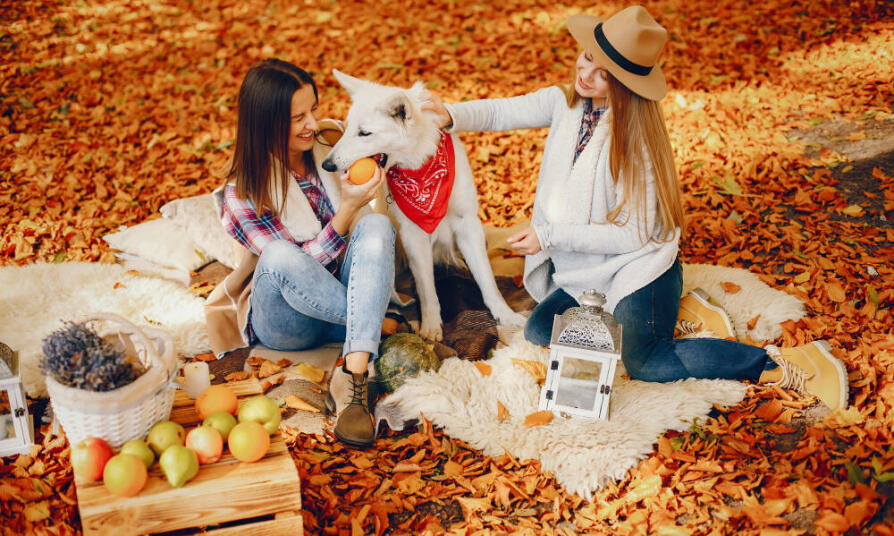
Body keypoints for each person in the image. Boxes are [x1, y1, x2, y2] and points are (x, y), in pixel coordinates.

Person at [423, 6, 848, 410]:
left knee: (647, 361)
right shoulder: (565, 103)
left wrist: (547, 236)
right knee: (538, 330)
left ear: (624, 84)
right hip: (584, 271)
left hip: (636, 267)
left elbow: (633, 236)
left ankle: (772, 365)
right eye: (586, 59)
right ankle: (682, 319)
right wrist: (449, 114)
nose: (585, 75)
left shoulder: (636, 143)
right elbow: (501, 112)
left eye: (602, 75)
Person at [204, 58, 396, 446]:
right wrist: (346, 209)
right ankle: (372, 323)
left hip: (338, 303)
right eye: (297, 117)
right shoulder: (243, 192)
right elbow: (298, 270)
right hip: (286, 321)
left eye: (314, 109)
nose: (312, 123)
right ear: (267, 124)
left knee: (377, 225)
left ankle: (355, 376)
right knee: (277, 255)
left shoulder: (331, 146)